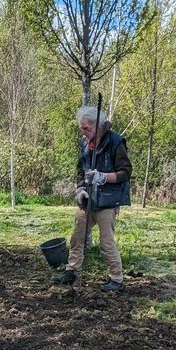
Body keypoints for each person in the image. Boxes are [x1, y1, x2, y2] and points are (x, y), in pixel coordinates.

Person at [52, 106, 131, 292]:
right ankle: (71, 271)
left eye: (86, 128)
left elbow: (126, 172)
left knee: (106, 242)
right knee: (77, 237)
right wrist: (80, 188)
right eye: (82, 128)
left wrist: (103, 177)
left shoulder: (115, 142)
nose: (83, 132)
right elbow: (80, 168)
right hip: (88, 198)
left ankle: (116, 279)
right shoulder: (85, 143)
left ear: (98, 125)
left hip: (107, 200)